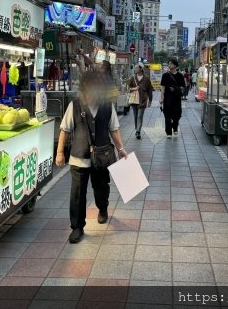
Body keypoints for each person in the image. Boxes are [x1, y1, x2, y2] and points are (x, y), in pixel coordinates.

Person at [55, 70, 128, 244]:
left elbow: (114, 129)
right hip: (79, 158)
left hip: (102, 157)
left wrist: (121, 149)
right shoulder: (75, 105)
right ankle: (77, 227)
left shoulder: (107, 105)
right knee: (77, 194)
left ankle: (103, 208)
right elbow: (64, 129)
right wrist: (59, 153)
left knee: (101, 188)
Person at [160, 58, 186, 138]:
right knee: (167, 115)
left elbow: (183, 87)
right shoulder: (165, 75)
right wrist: (161, 97)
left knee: (177, 115)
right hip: (167, 98)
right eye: (169, 64)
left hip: (176, 99)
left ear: (175, 65)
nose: (169, 65)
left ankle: (175, 126)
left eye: (171, 64)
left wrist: (176, 89)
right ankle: (168, 132)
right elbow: (162, 87)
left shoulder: (180, 76)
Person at [127, 62, 154, 140]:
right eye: (135, 68)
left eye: (136, 68)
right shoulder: (133, 78)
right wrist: (134, 88)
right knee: (135, 116)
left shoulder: (146, 79)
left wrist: (150, 100)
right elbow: (128, 87)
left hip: (143, 100)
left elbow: (150, 90)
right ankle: (137, 129)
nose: (135, 69)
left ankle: (138, 131)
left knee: (140, 116)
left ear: (141, 69)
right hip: (134, 100)